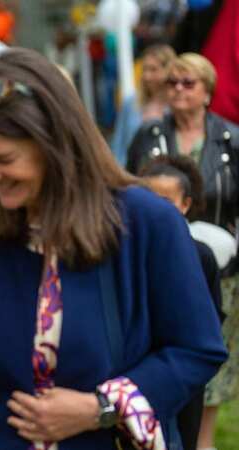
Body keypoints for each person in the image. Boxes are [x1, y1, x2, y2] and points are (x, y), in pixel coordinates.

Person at [0, 48, 226, 450]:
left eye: (4, 159)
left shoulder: (148, 223)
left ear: (54, 142)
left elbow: (196, 349)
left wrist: (102, 406)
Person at [125, 53, 239, 450]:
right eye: (171, 82)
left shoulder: (230, 139)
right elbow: (129, 187)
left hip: (219, 265)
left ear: (207, 91)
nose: (177, 90)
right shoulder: (148, 135)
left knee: (210, 361)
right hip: (155, 258)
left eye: (187, 83)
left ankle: (199, 441)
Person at [140, 155, 227, 450]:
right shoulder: (128, 252)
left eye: (167, 200)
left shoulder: (201, 256)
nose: (156, 208)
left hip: (184, 377)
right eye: (148, 198)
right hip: (139, 369)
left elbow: (212, 319)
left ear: (186, 205)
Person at [110, 44, 176, 165]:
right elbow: (118, 144)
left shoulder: (176, 106)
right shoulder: (131, 103)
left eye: (153, 69)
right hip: (131, 175)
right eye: (144, 69)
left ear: (169, 71)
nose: (146, 76)